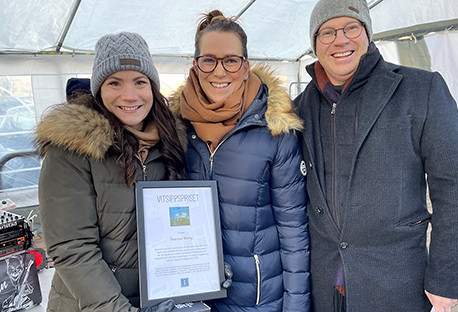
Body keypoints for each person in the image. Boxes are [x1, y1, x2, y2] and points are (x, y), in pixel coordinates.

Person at [293, 0, 458, 311]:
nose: (340, 40)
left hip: (396, 284)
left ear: (367, 33)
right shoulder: (299, 108)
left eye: (351, 27)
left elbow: (456, 186)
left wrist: (445, 280)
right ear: (315, 44)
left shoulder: (421, 89)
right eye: (327, 32)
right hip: (322, 286)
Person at [169, 10, 310, 312]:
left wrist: (296, 306)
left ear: (245, 68)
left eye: (231, 60)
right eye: (209, 60)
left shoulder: (274, 130)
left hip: (258, 300)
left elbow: (293, 229)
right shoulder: (177, 126)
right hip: (195, 297)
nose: (219, 72)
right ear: (195, 66)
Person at [35, 32, 185, 312]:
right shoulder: (72, 149)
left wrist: (203, 270)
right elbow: (72, 248)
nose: (130, 95)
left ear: (152, 87)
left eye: (140, 82)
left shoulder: (172, 143)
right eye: (115, 82)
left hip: (155, 299)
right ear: (98, 89)